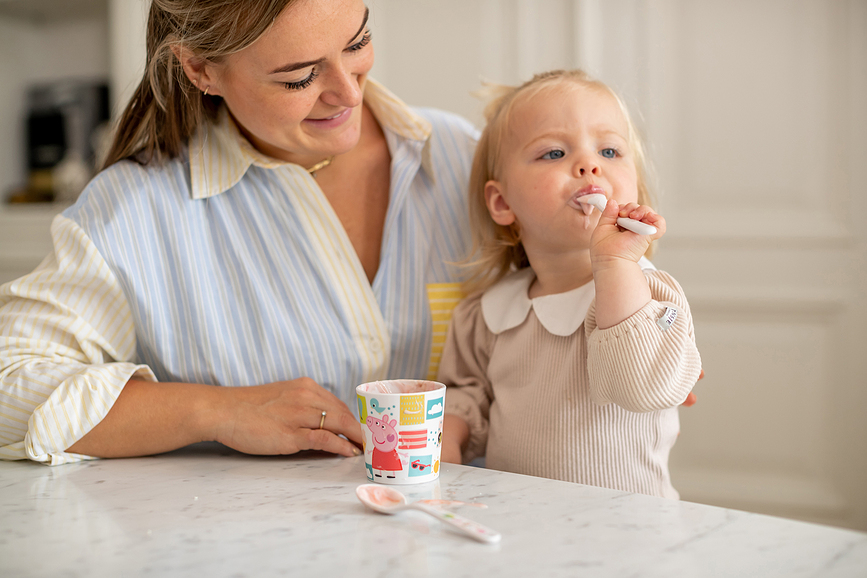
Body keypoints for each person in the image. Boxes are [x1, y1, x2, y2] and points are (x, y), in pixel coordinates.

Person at [0, 0, 478, 465]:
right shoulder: (132, 213)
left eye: (357, 42)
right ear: (200, 69)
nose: (349, 93)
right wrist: (218, 411)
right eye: (299, 77)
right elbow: (10, 384)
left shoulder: (462, 158)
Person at [437, 70, 702, 499]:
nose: (589, 164)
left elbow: (644, 388)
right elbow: (466, 396)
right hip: (517, 521)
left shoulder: (652, 294)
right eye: (555, 152)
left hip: (630, 528)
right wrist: (449, 436)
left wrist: (614, 264)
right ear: (502, 203)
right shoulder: (488, 314)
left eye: (609, 150)